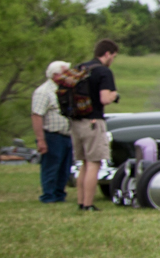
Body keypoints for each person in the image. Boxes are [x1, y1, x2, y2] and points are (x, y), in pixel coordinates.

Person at [72, 39, 120, 211]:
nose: (113, 59)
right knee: (94, 163)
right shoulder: (103, 72)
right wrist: (115, 95)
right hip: (93, 121)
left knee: (83, 163)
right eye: (113, 56)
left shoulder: (81, 68)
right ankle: (88, 204)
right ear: (107, 54)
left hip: (77, 121)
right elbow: (105, 98)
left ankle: (80, 201)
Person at [30, 61, 73, 204]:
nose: (68, 75)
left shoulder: (65, 90)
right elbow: (37, 115)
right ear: (55, 75)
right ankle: (48, 195)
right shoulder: (44, 92)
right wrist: (40, 139)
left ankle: (59, 193)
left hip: (66, 135)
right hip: (52, 134)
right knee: (51, 166)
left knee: (64, 168)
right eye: (65, 73)